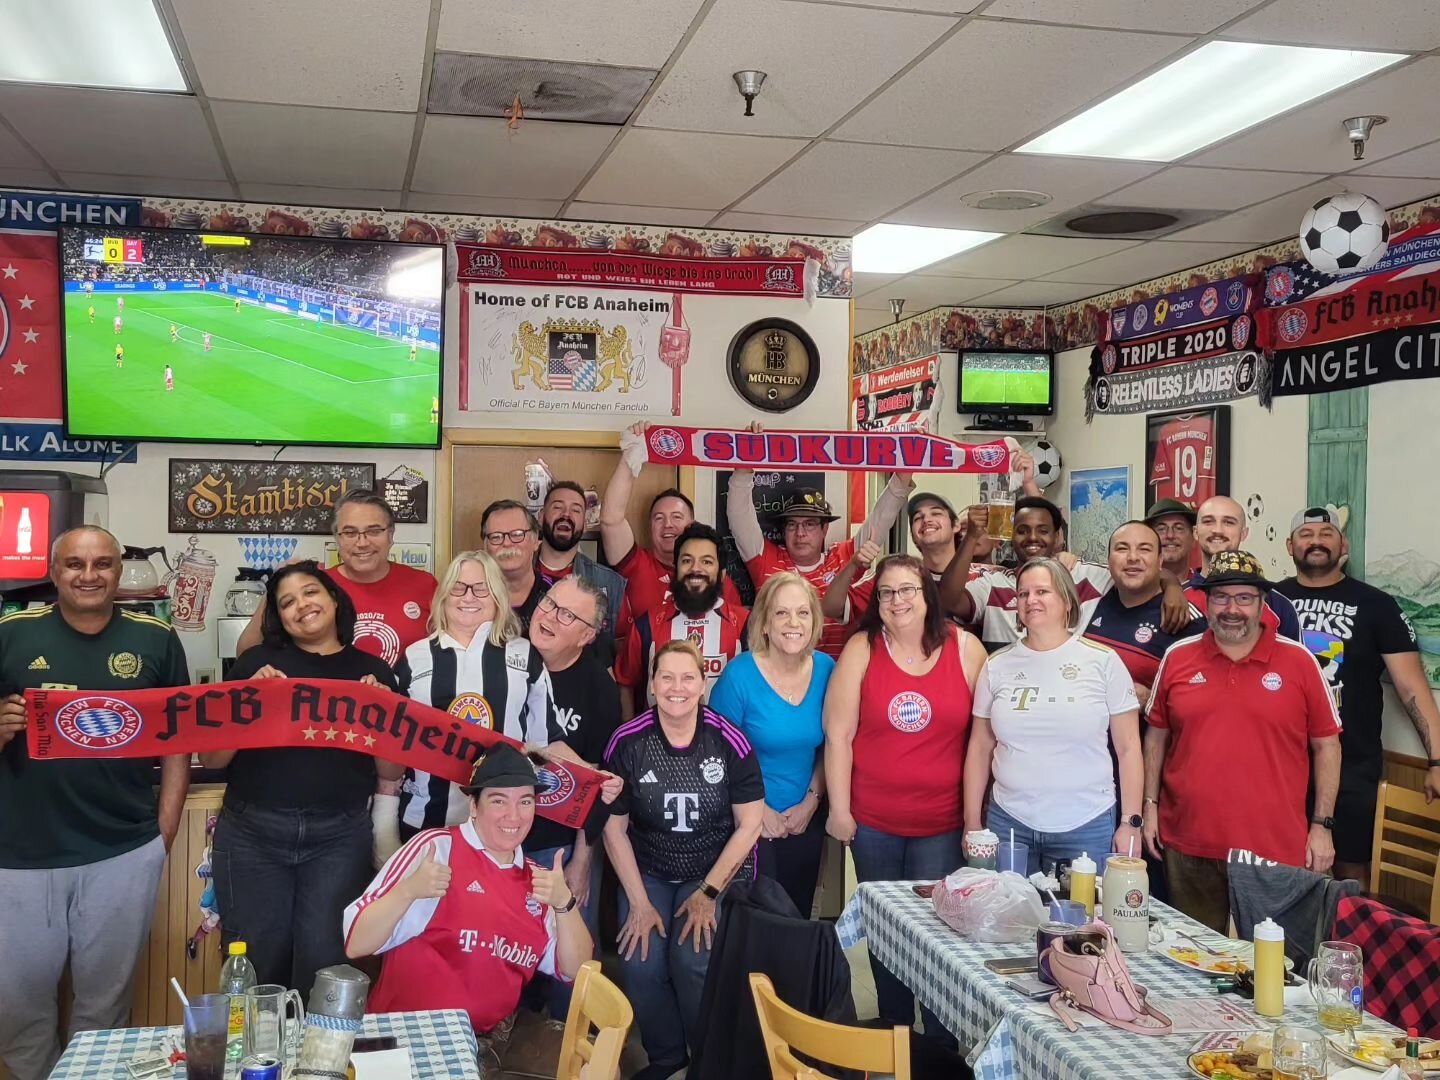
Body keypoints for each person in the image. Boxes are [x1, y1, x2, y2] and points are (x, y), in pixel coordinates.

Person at [0, 527, 191, 1080]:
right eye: (75, 564)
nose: (89, 575)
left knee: (104, 1007)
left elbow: (178, 743)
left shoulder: (156, 638)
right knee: (16, 1006)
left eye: (102, 564)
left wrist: (164, 834)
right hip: (17, 854)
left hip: (123, 850)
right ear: (53, 571)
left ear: (118, 572)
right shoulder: (11, 632)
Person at [202, 561, 400, 998]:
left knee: (326, 968)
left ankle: (316, 1065)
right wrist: (248, 703)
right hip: (253, 834)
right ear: (278, 617)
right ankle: (256, 1064)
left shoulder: (375, 672)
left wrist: (382, 716)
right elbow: (211, 757)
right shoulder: (255, 664)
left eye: (310, 592)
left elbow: (390, 772)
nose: (301, 606)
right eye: (287, 602)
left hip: (339, 838)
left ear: (333, 599)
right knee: (254, 966)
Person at [824, 555, 986, 1042]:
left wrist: (977, 817)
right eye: (887, 593)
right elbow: (838, 734)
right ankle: (895, 1034)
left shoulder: (966, 648)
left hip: (942, 823)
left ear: (927, 594)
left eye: (907, 590)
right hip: (873, 822)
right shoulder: (862, 648)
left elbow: (986, 736)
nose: (896, 601)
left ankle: (937, 1039)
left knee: (940, 933)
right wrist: (839, 808)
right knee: (886, 932)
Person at [1143, 550, 1342, 932]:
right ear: (1205, 601)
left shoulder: (1300, 661)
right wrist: (1149, 806)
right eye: (1220, 597)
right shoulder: (1177, 657)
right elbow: (1156, 737)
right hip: (1189, 844)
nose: (1231, 609)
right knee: (1195, 965)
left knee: (1280, 972)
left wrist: (1322, 825)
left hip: (1275, 849)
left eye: (1244, 598)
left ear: (1262, 603)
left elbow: (1327, 746)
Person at [343, 744, 592, 1039]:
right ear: (474, 806)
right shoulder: (436, 849)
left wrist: (565, 904)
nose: (513, 816)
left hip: (478, 1043)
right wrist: (407, 891)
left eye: (525, 802)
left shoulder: (540, 880)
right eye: (499, 801)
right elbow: (356, 944)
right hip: (402, 1035)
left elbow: (577, 970)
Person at [603, 640, 765, 1080]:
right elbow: (613, 827)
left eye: (688, 677)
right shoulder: (628, 741)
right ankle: (668, 1057)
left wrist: (708, 893)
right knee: (639, 960)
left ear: (703, 684)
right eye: (667, 677)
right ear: (652, 685)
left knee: (693, 959)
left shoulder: (729, 739)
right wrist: (638, 902)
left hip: (711, 871)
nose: (678, 687)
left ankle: (708, 1058)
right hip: (650, 869)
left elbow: (750, 825)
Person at [1273, 507, 1440, 882]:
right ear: (1290, 545)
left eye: (1326, 533)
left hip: (1354, 765)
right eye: (1306, 534)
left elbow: (1412, 688)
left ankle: (1348, 941)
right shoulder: (1270, 601)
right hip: (1281, 763)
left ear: (1343, 544)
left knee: (1351, 875)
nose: (1316, 540)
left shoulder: (1376, 605)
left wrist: (1437, 762)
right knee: (1280, 871)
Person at [967, 557, 1144, 875]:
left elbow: (1129, 747)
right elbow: (980, 747)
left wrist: (1130, 822)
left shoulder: (1102, 661)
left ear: (1066, 600)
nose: (1030, 600)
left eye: (1041, 591)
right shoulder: (997, 665)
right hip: (1009, 823)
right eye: (1022, 594)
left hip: (1085, 825)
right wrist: (971, 823)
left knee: (1081, 922)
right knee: (1005, 921)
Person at [388, 551, 557, 847]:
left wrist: (595, 778)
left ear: (497, 596)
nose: (469, 597)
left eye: (481, 588)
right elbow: (393, 746)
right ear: (443, 595)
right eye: (458, 587)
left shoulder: (523, 654)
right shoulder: (414, 657)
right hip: (427, 820)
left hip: (504, 824)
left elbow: (546, 745)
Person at [709, 571, 833, 917]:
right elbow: (715, 754)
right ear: (764, 623)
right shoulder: (739, 675)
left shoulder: (827, 670)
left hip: (804, 820)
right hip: (746, 823)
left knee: (796, 918)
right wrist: (757, 811)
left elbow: (833, 745)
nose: (793, 622)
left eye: (803, 612)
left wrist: (811, 801)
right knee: (757, 923)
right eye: (781, 613)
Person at [524, 577, 622, 1016]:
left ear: (586, 635)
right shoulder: (506, 660)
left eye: (567, 615)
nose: (548, 616)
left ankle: (572, 1040)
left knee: (570, 954)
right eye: (549, 603)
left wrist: (582, 862)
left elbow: (601, 784)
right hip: (500, 836)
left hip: (560, 844)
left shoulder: (597, 688)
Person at [728, 439, 911, 657]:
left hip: (834, 677)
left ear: (824, 529)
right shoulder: (765, 559)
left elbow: (881, 519)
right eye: (792, 524)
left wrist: (902, 478)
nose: (800, 533)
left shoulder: (843, 557)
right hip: (777, 675)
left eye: (810, 524)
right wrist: (744, 464)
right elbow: (739, 515)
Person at [942, 495, 1192, 650]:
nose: (1032, 537)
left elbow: (1133, 570)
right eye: (1022, 530)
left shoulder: (1085, 575)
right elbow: (949, 600)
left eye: (1043, 530)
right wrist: (971, 537)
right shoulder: (994, 584)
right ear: (1011, 535)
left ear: (1057, 536)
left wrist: (1172, 586)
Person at [237, 490, 436, 667]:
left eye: (374, 531)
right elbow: (246, 655)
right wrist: (276, 588)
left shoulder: (425, 585)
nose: (362, 543)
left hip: (404, 706)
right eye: (350, 533)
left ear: (390, 535)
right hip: (329, 705)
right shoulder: (314, 589)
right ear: (337, 538)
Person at [602, 423, 744, 621]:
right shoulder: (638, 564)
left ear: (692, 524)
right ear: (650, 527)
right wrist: (629, 459)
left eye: (677, 517)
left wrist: (749, 450)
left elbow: (736, 629)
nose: (668, 524)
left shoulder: (715, 576)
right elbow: (611, 520)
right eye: (658, 518)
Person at [617, 522, 747, 714]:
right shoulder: (647, 624)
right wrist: (627, 735)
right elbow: (625, 682)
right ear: (675, 570)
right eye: (687, 560)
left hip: (724, 740)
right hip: (657, 739)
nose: (696, 569)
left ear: (722, 574)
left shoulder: (745, 624)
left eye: (707, 561)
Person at [1085, 521, 1206, 702]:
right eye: (1122, 548)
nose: (1133, 557)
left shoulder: (1186, 619)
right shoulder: (1092, 600)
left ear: (1160, 561)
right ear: (1108, 559)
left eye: (1144, 549)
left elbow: (1202, 700)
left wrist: (1152, 701)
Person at [534, 480, 631, 667]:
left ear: (585, 524)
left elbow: (622, 653)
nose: (566, 515)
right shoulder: (518, 575)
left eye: (576, 510)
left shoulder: (610, 583)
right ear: (540, 517)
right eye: (557, 507)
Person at [1184, 495, 1300, 638]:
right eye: (1208, 521)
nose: (1218, 530)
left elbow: (1293, 658)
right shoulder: (1176, 598)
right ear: (1195, 532)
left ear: (1244, 533)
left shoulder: (1277, 604)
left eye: (1229, 522)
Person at [480, 499, 545, 627]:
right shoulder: (471, 597)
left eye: (517, 534)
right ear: (485, 546)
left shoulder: (558, 594)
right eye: (496, 537)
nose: (507, 543)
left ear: (535, 540)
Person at [1144, 497, 1199, 581]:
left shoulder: (1208, 590)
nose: (1170, 535)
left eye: (1179, 528)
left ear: (1193, 538)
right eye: (1161, 529)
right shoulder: (1136, 589)